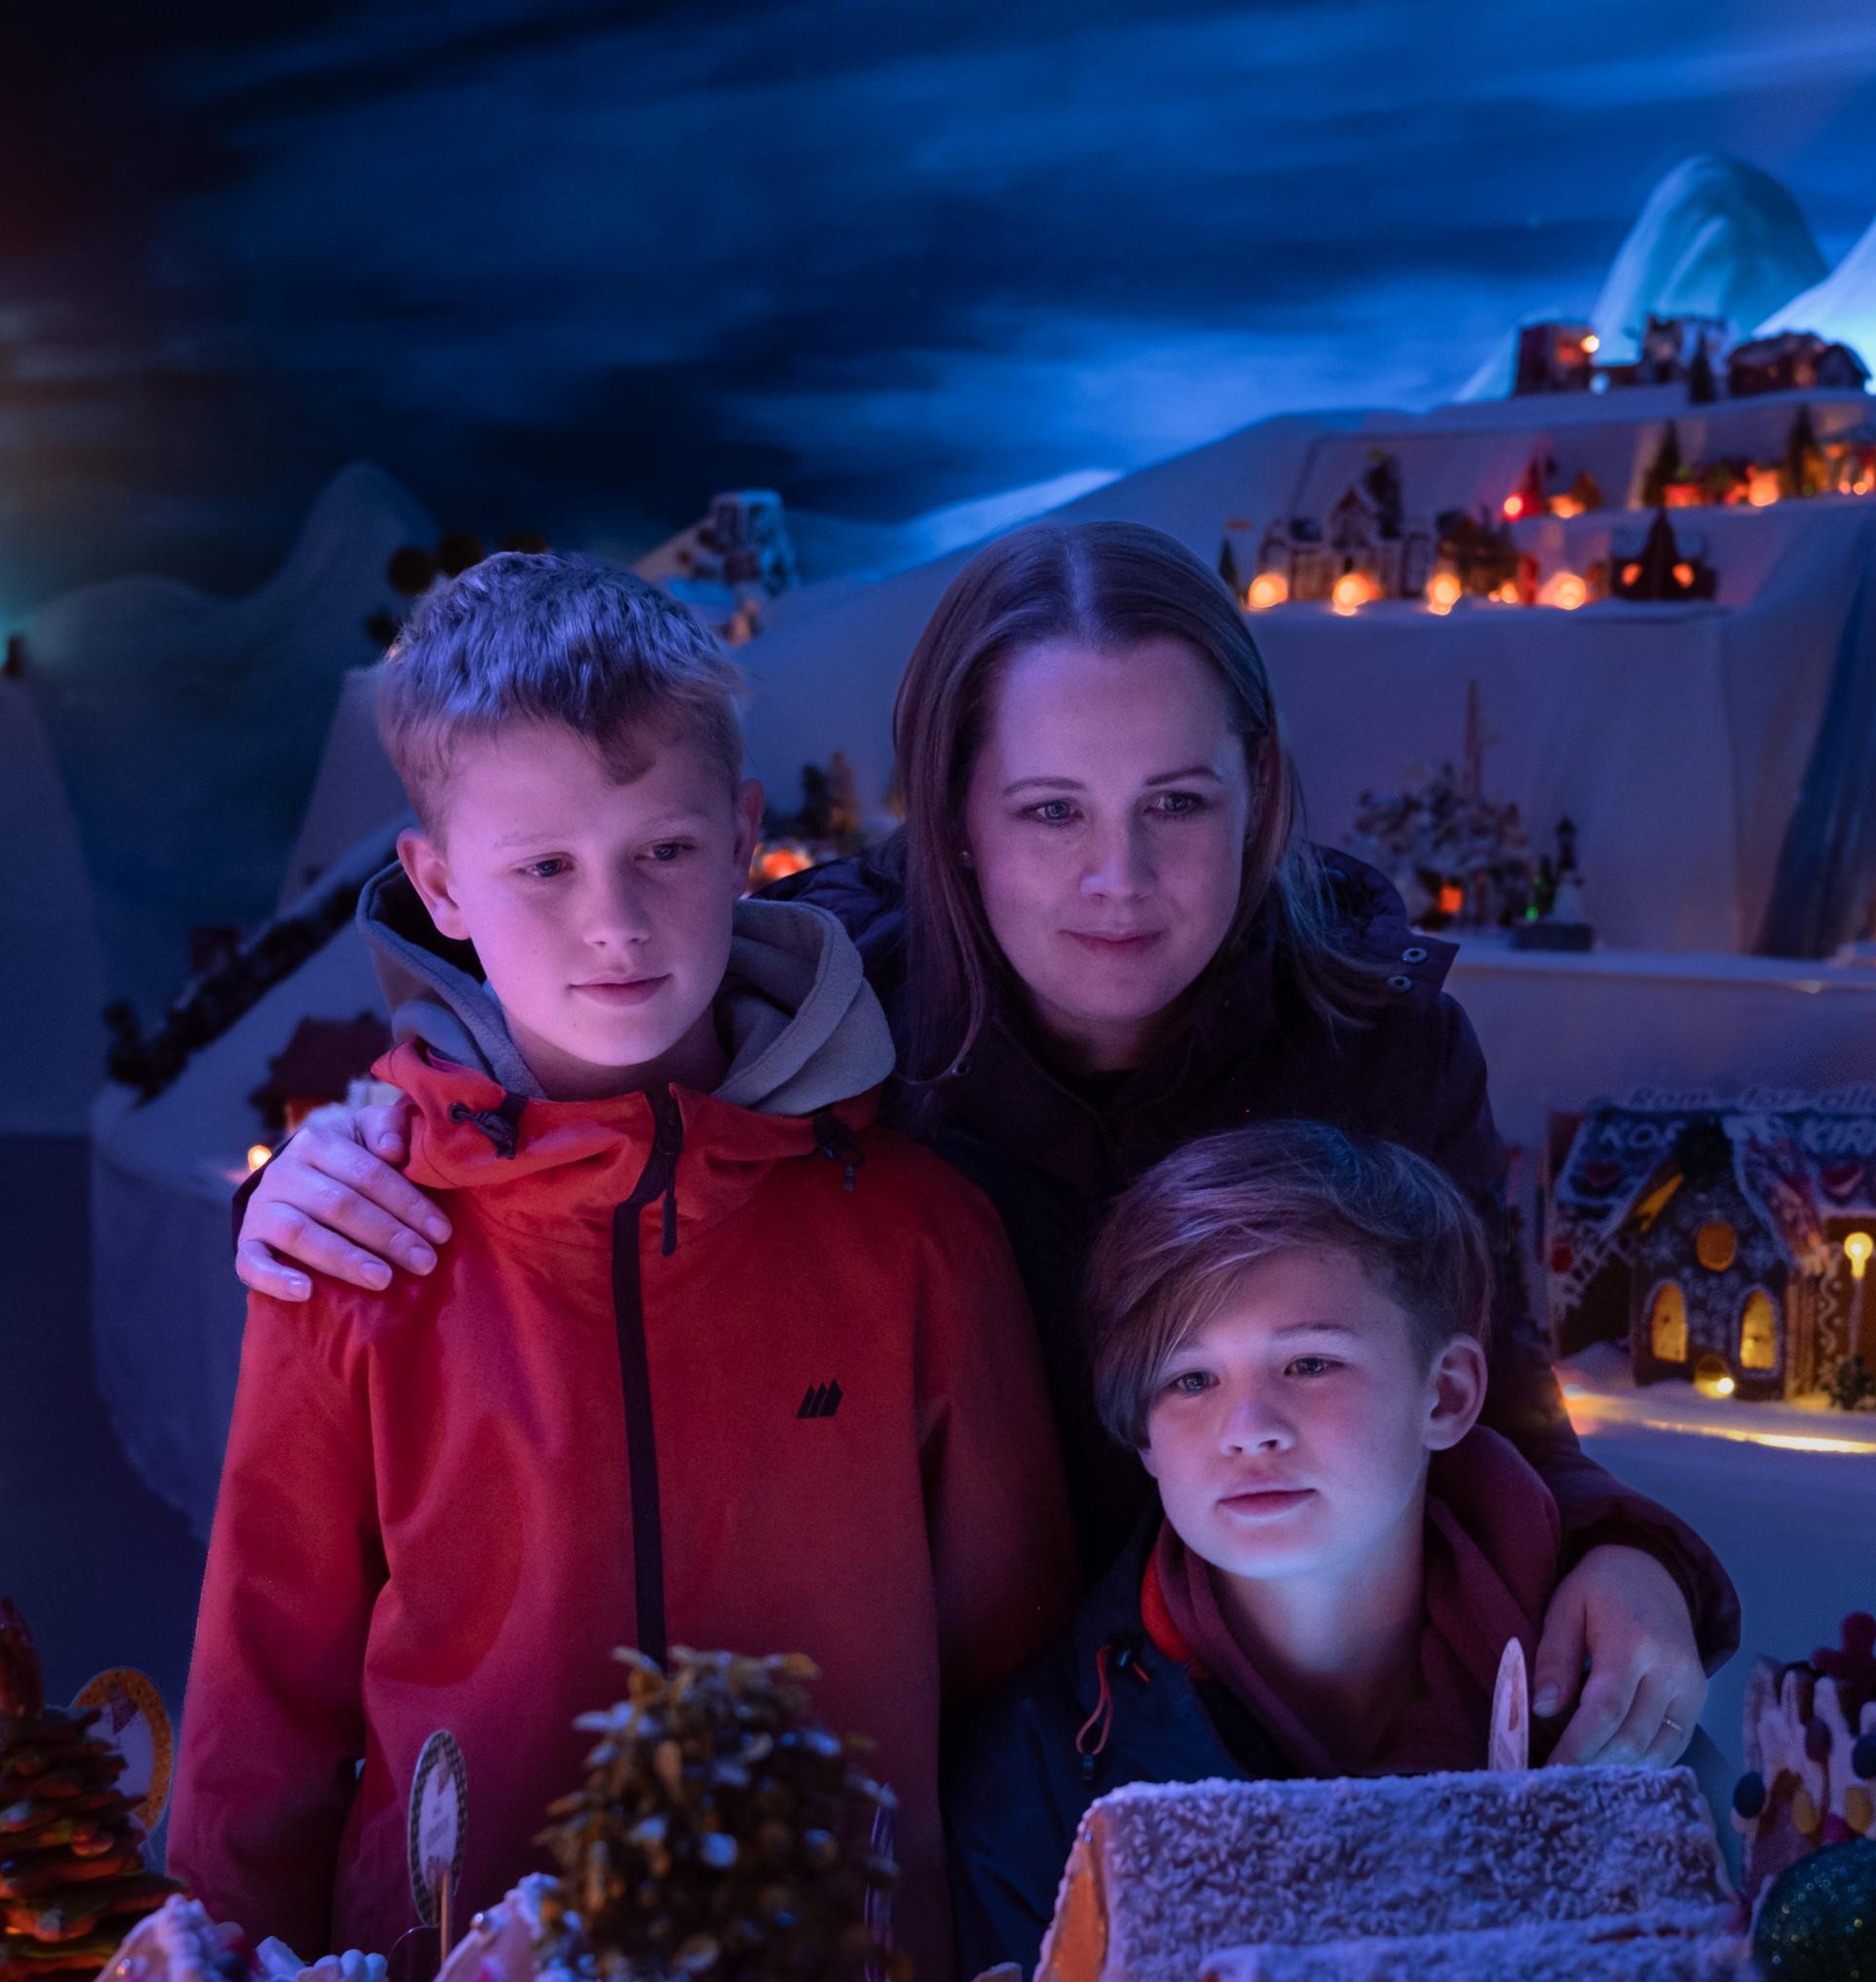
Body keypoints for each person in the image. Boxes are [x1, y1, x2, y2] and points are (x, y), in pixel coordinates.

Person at [235, 520, 1734, 1763]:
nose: (1118, 879)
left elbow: (1496, 1394)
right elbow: (593, 1069)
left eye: (1178, 805)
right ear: (951, 821)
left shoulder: (1373, 1038)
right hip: (965, 1767)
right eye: (1049, 811)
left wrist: (1629, 1552)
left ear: (1259, 797)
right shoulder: (830, 1017)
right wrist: (373, 1139)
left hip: (1294, 1721)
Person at [164, 554, 1071, 1982]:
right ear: (438, 884)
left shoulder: (915, 1239)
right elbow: (260, 1709)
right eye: (544, 868)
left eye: (664, 850)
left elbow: (1005, 1652)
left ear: (745, 835)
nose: (617, 921)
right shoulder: (356, 1256)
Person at [946, 1121, 1565, 1974]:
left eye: (1310, 1364)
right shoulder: (1040, 1782)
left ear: (1447, 1393)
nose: (1249, 1432)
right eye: (1191, 1380)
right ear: (1145, 1441)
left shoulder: (1599, 1702)